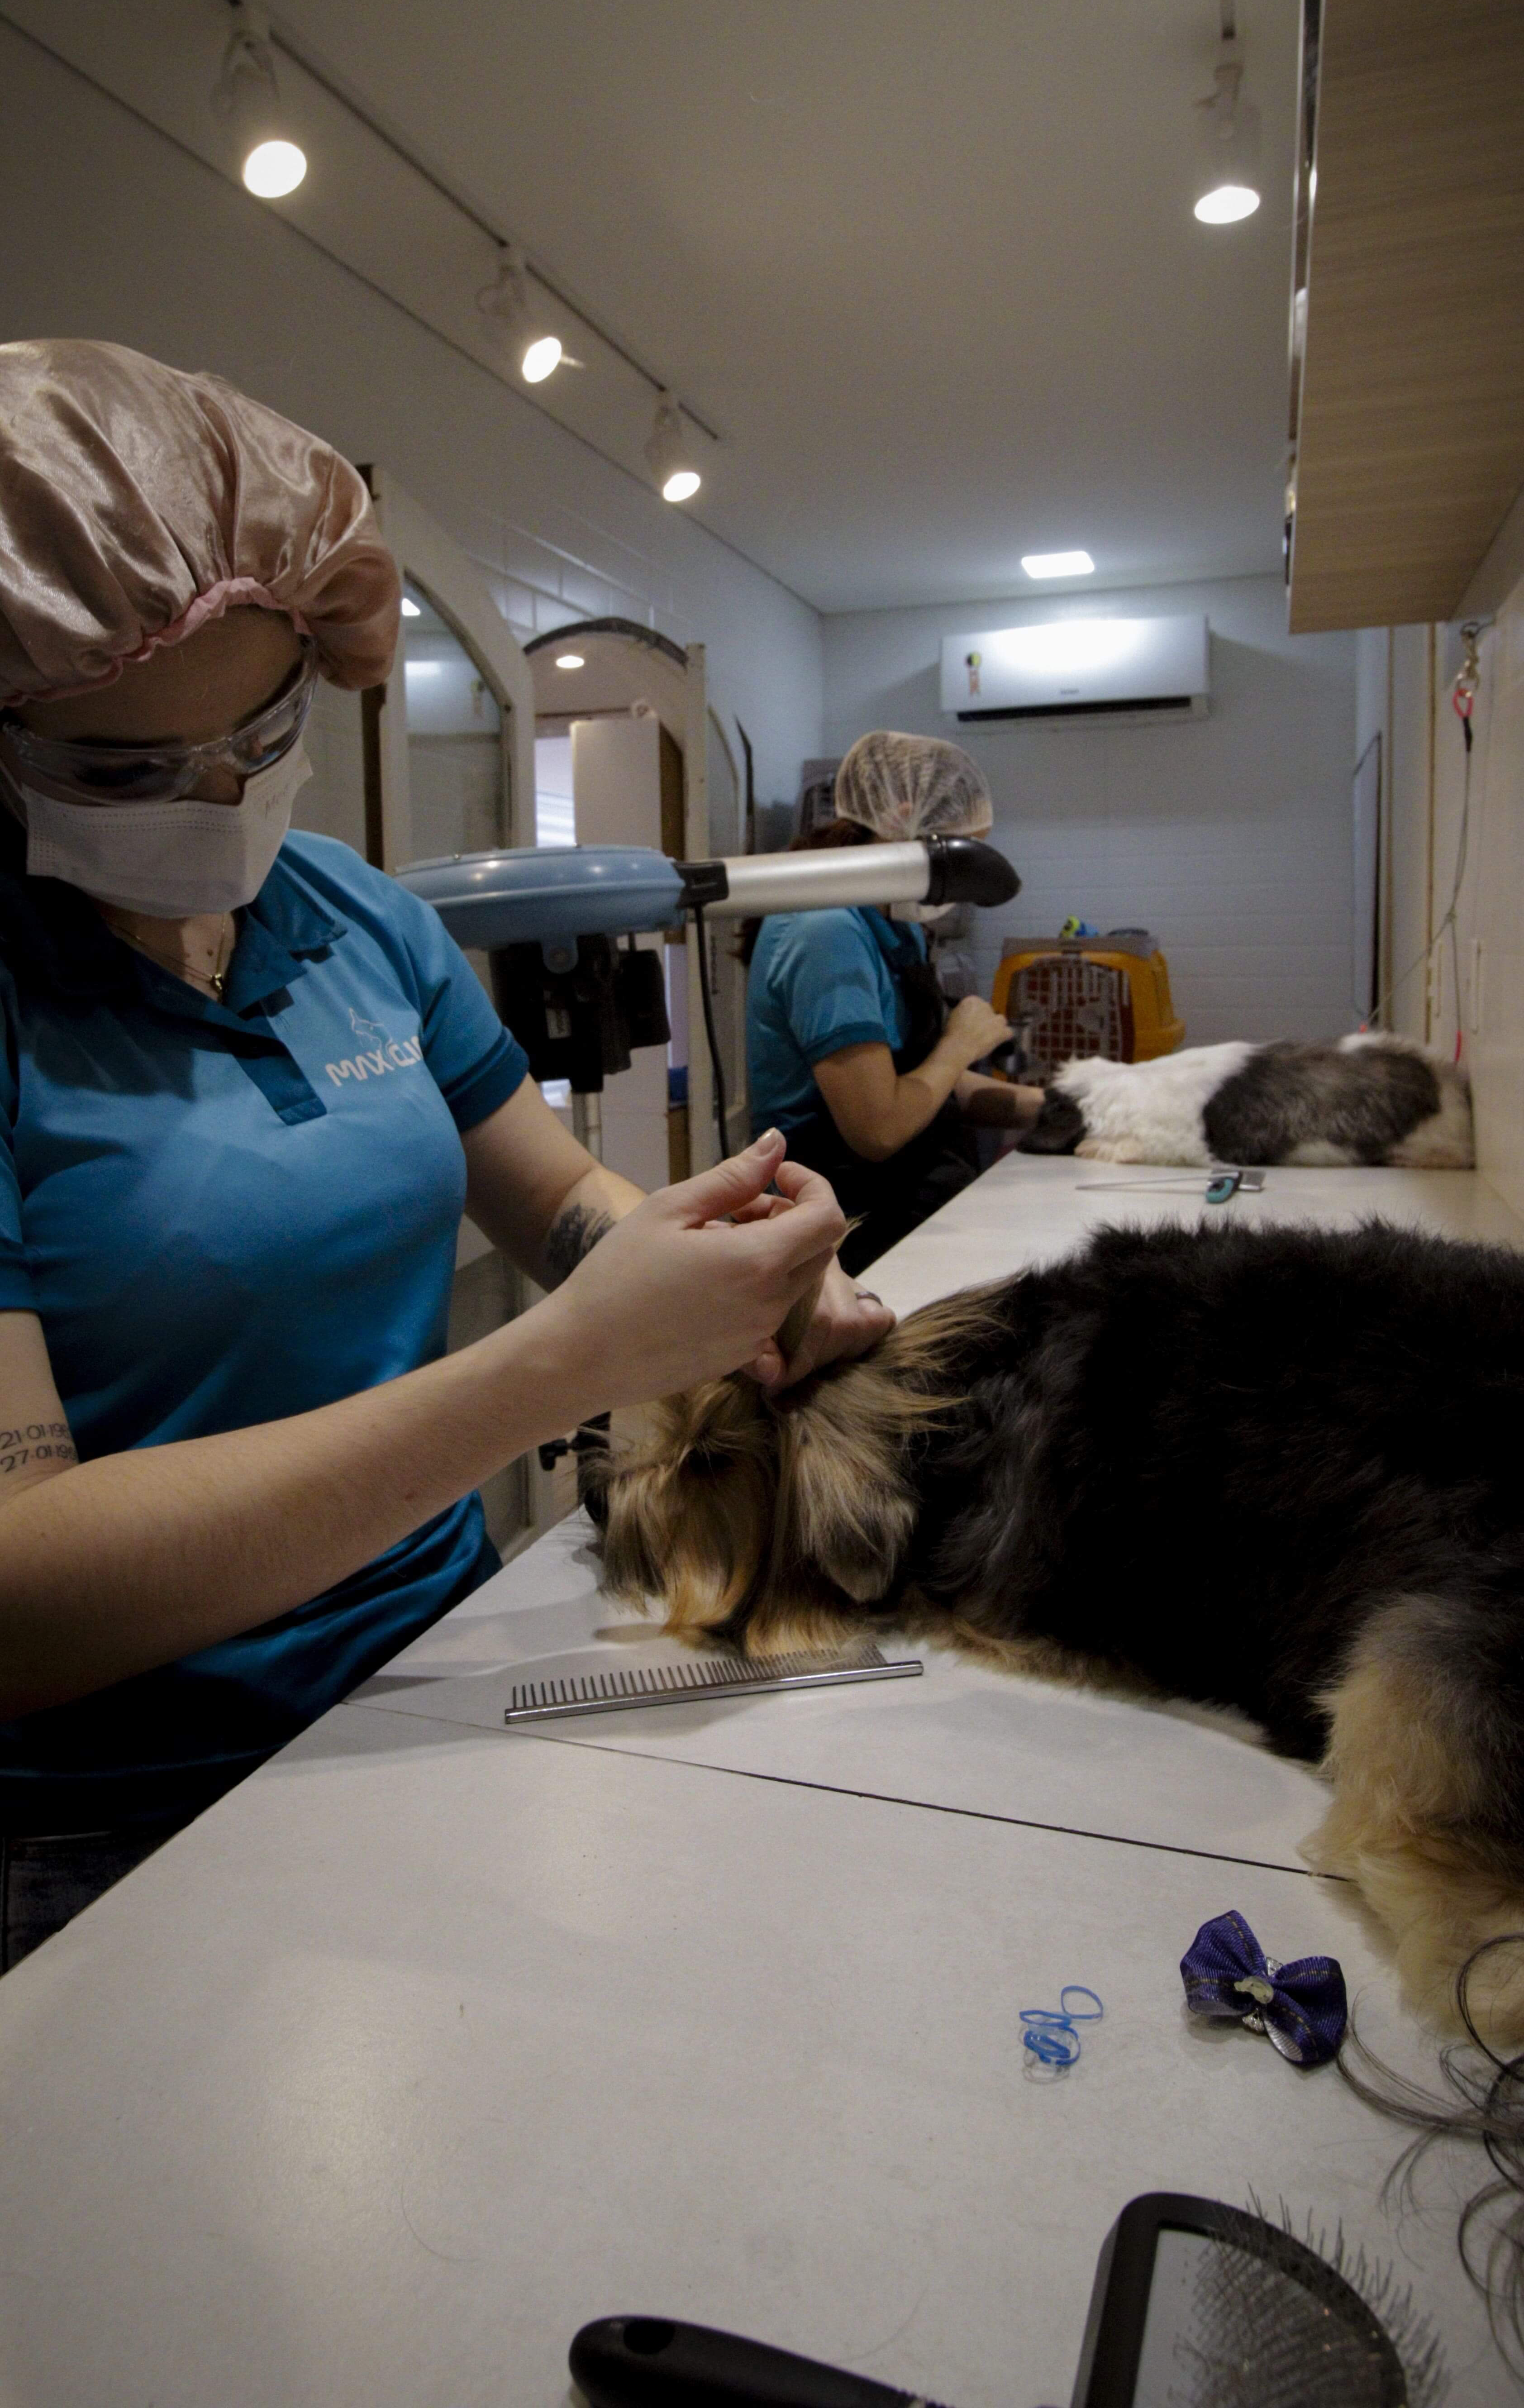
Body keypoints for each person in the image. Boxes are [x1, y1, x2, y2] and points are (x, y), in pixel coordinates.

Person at [0, 339, 892, 1968]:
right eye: (125, 770)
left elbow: (557, 1200)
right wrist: (568, 1365)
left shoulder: (353, 919)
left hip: (442, 1671)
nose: (212, 802)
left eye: (258, 738)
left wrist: (716, 1263)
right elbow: (20, 1593)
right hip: (119, 1821)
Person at [745, 731, 1041, 1275]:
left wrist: (1051, 1108)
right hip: (844, 1229)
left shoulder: (889, 922)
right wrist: (960, 1044)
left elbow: (917, 1078)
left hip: (908, 1205)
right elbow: (878, 1128)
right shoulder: (825, 931)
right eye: (956, 858)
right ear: (907, 819)